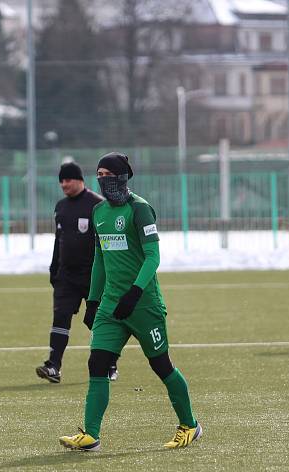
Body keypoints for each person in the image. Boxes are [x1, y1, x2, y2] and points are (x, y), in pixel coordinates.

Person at [59, 152, 201, 451]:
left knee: (161, 366)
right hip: (111, 306)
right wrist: (94, 300)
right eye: (98, 174)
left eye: (107, 174)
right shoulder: (99, 212)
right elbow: (100, 258)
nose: (102, 179)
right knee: (97, 363)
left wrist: (135, 292)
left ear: (122, 177)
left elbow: (153, 256)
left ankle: (190, 425)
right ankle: (91, 435)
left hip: (144, 304)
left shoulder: (140, 209)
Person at [35, 162, 118, 383]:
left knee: (96, 321)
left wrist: (109, 273)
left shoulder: (98, 205)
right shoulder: (61, 207)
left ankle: (109, 363)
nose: (63, 184)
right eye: (61, 180)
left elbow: (107, 243)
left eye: (67, 179)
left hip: (93, 276)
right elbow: (57, 240)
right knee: (60, 317)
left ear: (79, 179)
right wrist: (54, 269)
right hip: (66, 276)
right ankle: (53, 365)